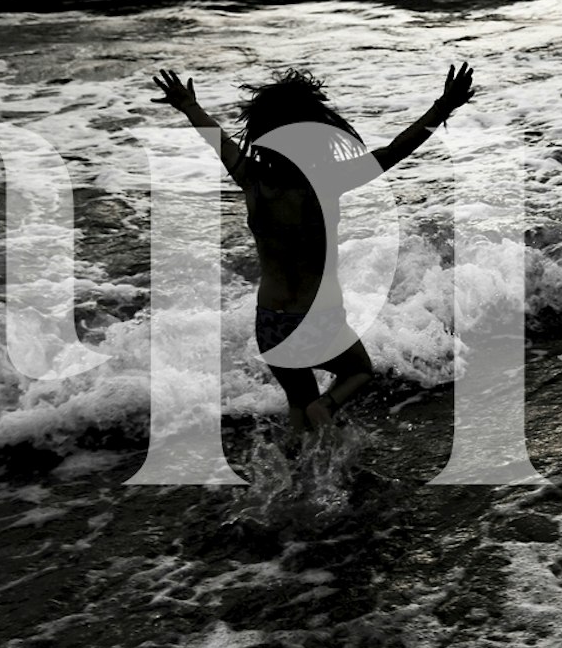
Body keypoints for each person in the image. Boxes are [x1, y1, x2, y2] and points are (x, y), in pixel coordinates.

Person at [150, 61, 475, 437]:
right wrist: (443, 106)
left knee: (297, 403)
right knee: (357, 371)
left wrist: (188, 105)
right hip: (315, 316)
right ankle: (329, 407)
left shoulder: (250, 178)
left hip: (269, 320)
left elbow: (216, 137)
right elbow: (396, 150)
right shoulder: (326, 181)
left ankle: (305, 476)